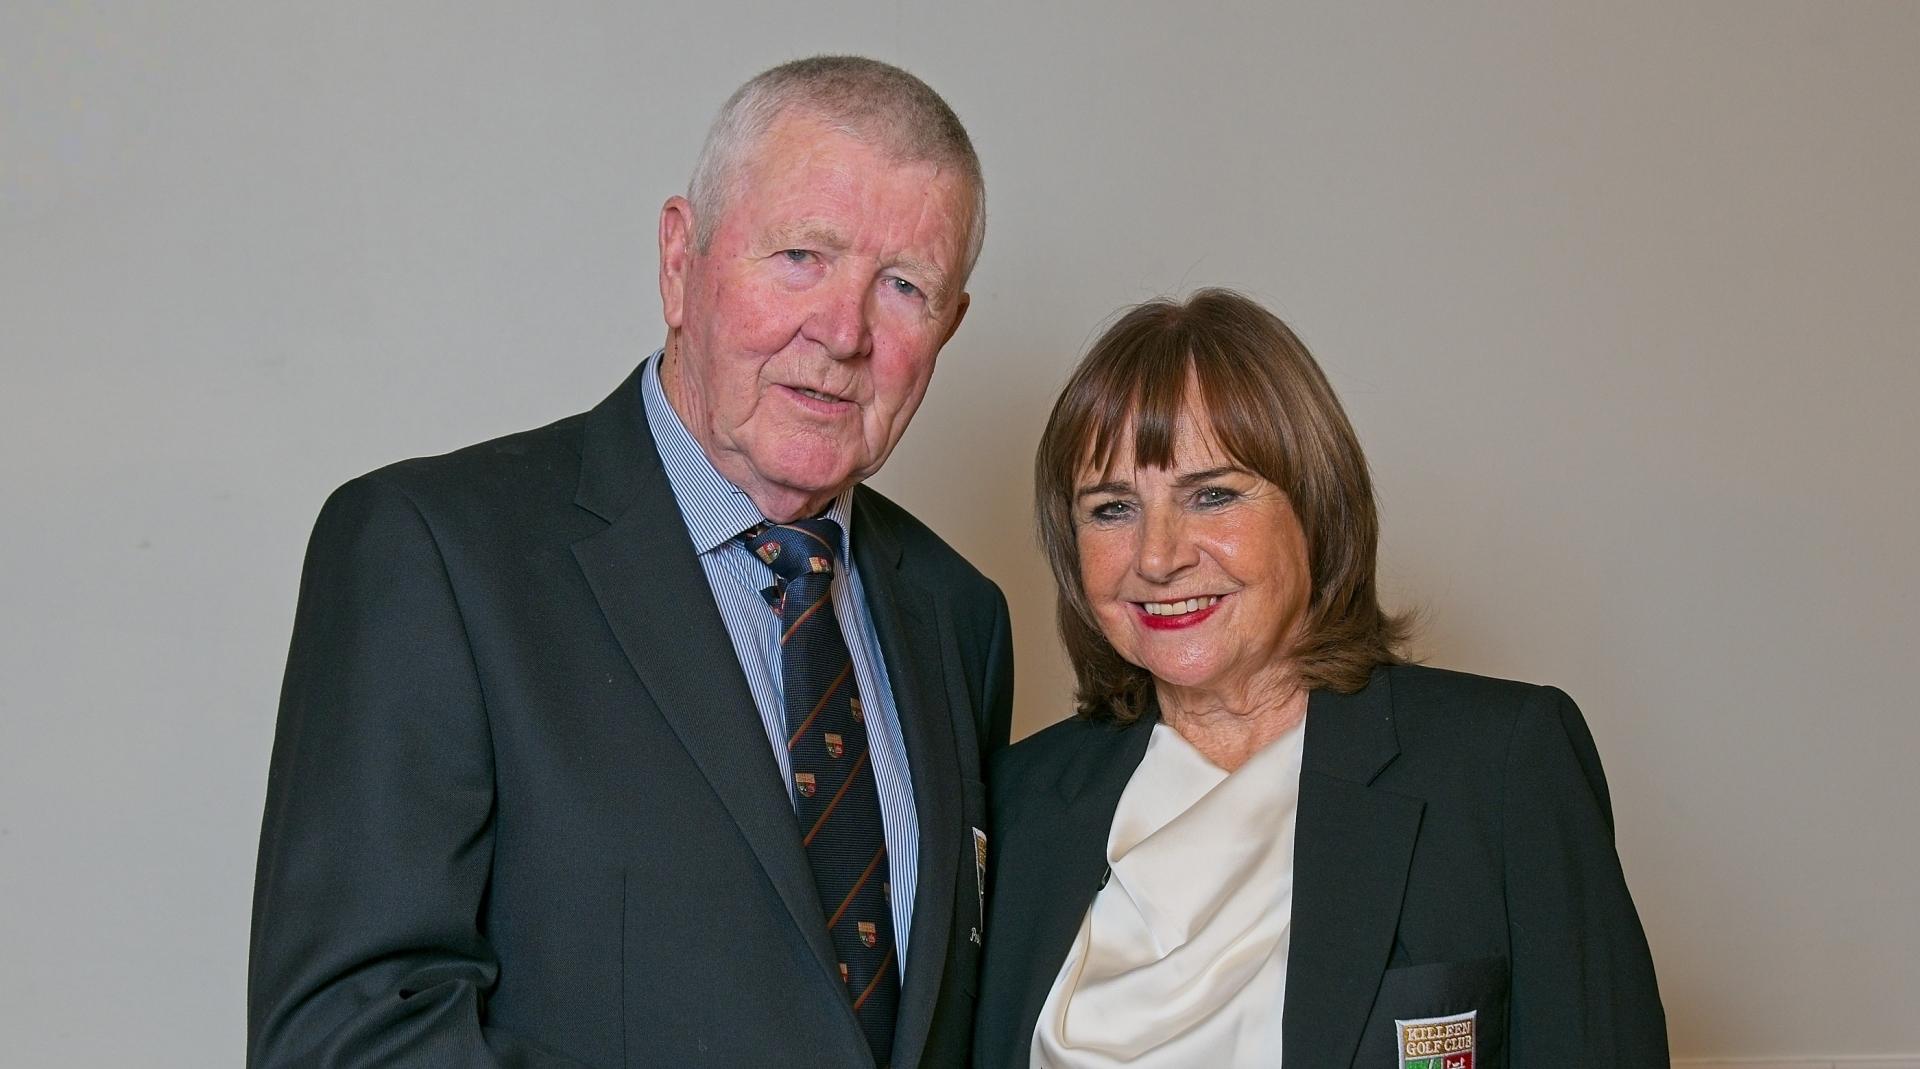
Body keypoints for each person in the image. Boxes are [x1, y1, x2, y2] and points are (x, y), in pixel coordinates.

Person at [249, 56, 1011, 1069]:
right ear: (680, 259)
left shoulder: (960, 616)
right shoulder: (433, 553)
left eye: (905, 286)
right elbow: (348, 1038)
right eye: (801, 256)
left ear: (950, 325)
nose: (842, 332)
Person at [972, 290, 1666, 1068]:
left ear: (1315, 505)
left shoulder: (1501, 767)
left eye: (1212, 495)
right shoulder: (1015, 805)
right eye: (1111, 509)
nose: (1158, 556)